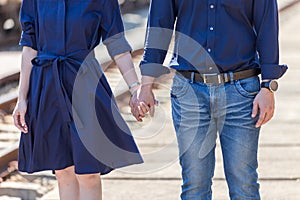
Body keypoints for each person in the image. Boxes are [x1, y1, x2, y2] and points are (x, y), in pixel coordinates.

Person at [131, 0, 287, 199]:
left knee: (244, 184)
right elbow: (159, 27)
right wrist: (146, 86)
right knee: (194, 185)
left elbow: (267, 26)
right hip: (189, 91)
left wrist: (268, 87)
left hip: (240, 91)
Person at [12, 0, 143, 199]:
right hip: (47, 87)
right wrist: (22, 98)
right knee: (63, 171)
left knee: (89, 173)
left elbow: (117, 44)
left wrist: (135, 88)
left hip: (86, 86)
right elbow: (30, 48)